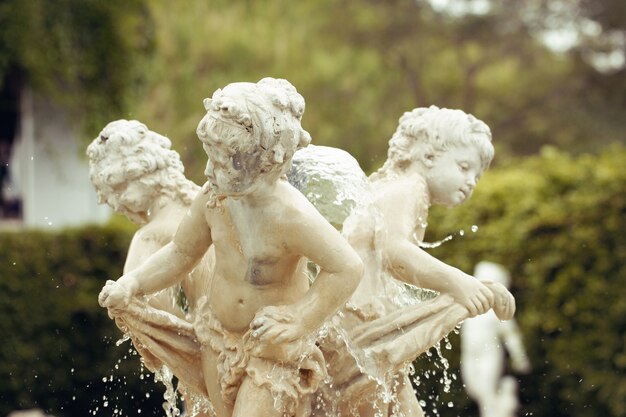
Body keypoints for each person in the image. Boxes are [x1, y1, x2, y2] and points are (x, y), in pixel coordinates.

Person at [98, 78, 363, 417]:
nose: (209, 171)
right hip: (217, 337)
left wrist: (300, 318)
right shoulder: (213, 198)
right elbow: (180, 253)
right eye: (210, 159)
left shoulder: (291, 216)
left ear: (263, 163)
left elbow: (347, 267)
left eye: (223, 163)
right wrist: (133, 283)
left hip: (271, 349)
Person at [317, 106, 515, 416]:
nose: (471, 181)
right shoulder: (406, 189)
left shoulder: (394, 189)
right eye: (464, 167)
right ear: (429, 156)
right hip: (356, 326)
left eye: (476, 174)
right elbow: (394, 254)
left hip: (355, 322)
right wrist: (461, 284)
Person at [461, 262, 531, 417]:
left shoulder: (497, 312)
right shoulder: (470, 309)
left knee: (486, 392)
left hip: (488, 355)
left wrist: (519, 357)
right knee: (474, 389)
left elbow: (511, 335)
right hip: (470, 356)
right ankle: (504, 404)